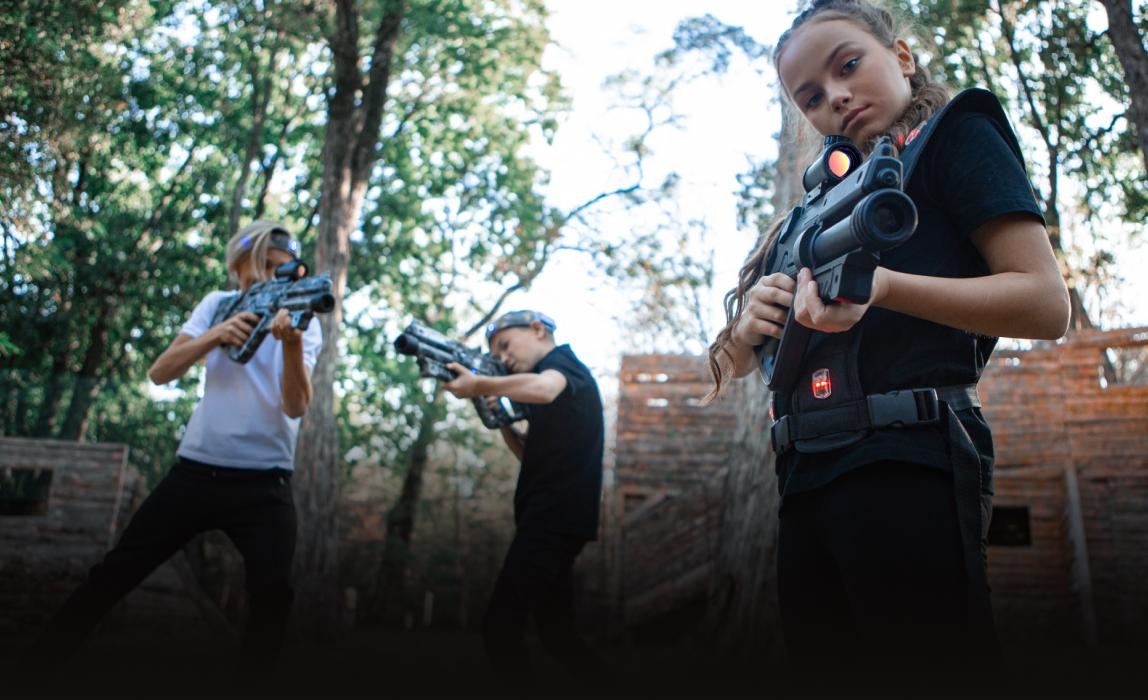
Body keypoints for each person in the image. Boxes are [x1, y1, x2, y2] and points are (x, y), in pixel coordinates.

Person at [706, 0, 1070, 686]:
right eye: (809, 96)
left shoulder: (953, 136)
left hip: (909, 457)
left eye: (849, 65)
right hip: (804, 473)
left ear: (900, 57)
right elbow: (734, 367)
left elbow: (1046, 305)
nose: (835, 97)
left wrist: (888, 288)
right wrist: (746, 327)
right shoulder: (804, 216)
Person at [31, 220, 322, 675]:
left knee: (273, 595)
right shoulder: (217, 304)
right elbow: (160, 372)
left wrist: (292, 341)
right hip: (196, 473)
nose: (272, 277)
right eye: (263, 265)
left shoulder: (303, 318)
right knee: (116, 572)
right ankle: (37, 666)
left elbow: (295, 405)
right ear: (240, 264)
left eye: (283, 270)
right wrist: (215, 334)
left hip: (266, 482)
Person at [442, 309, 605, 690]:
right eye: (496, 355)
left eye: (505, 345)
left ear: (537, 330)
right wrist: (501, 421)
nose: (502, 357)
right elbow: (529, 452)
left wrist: (481, 384)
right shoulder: (540, 387)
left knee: (500, 627)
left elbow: (545, 387)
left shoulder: (560, 362)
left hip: (553, 515)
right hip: (554, 515)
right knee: (558, 637)